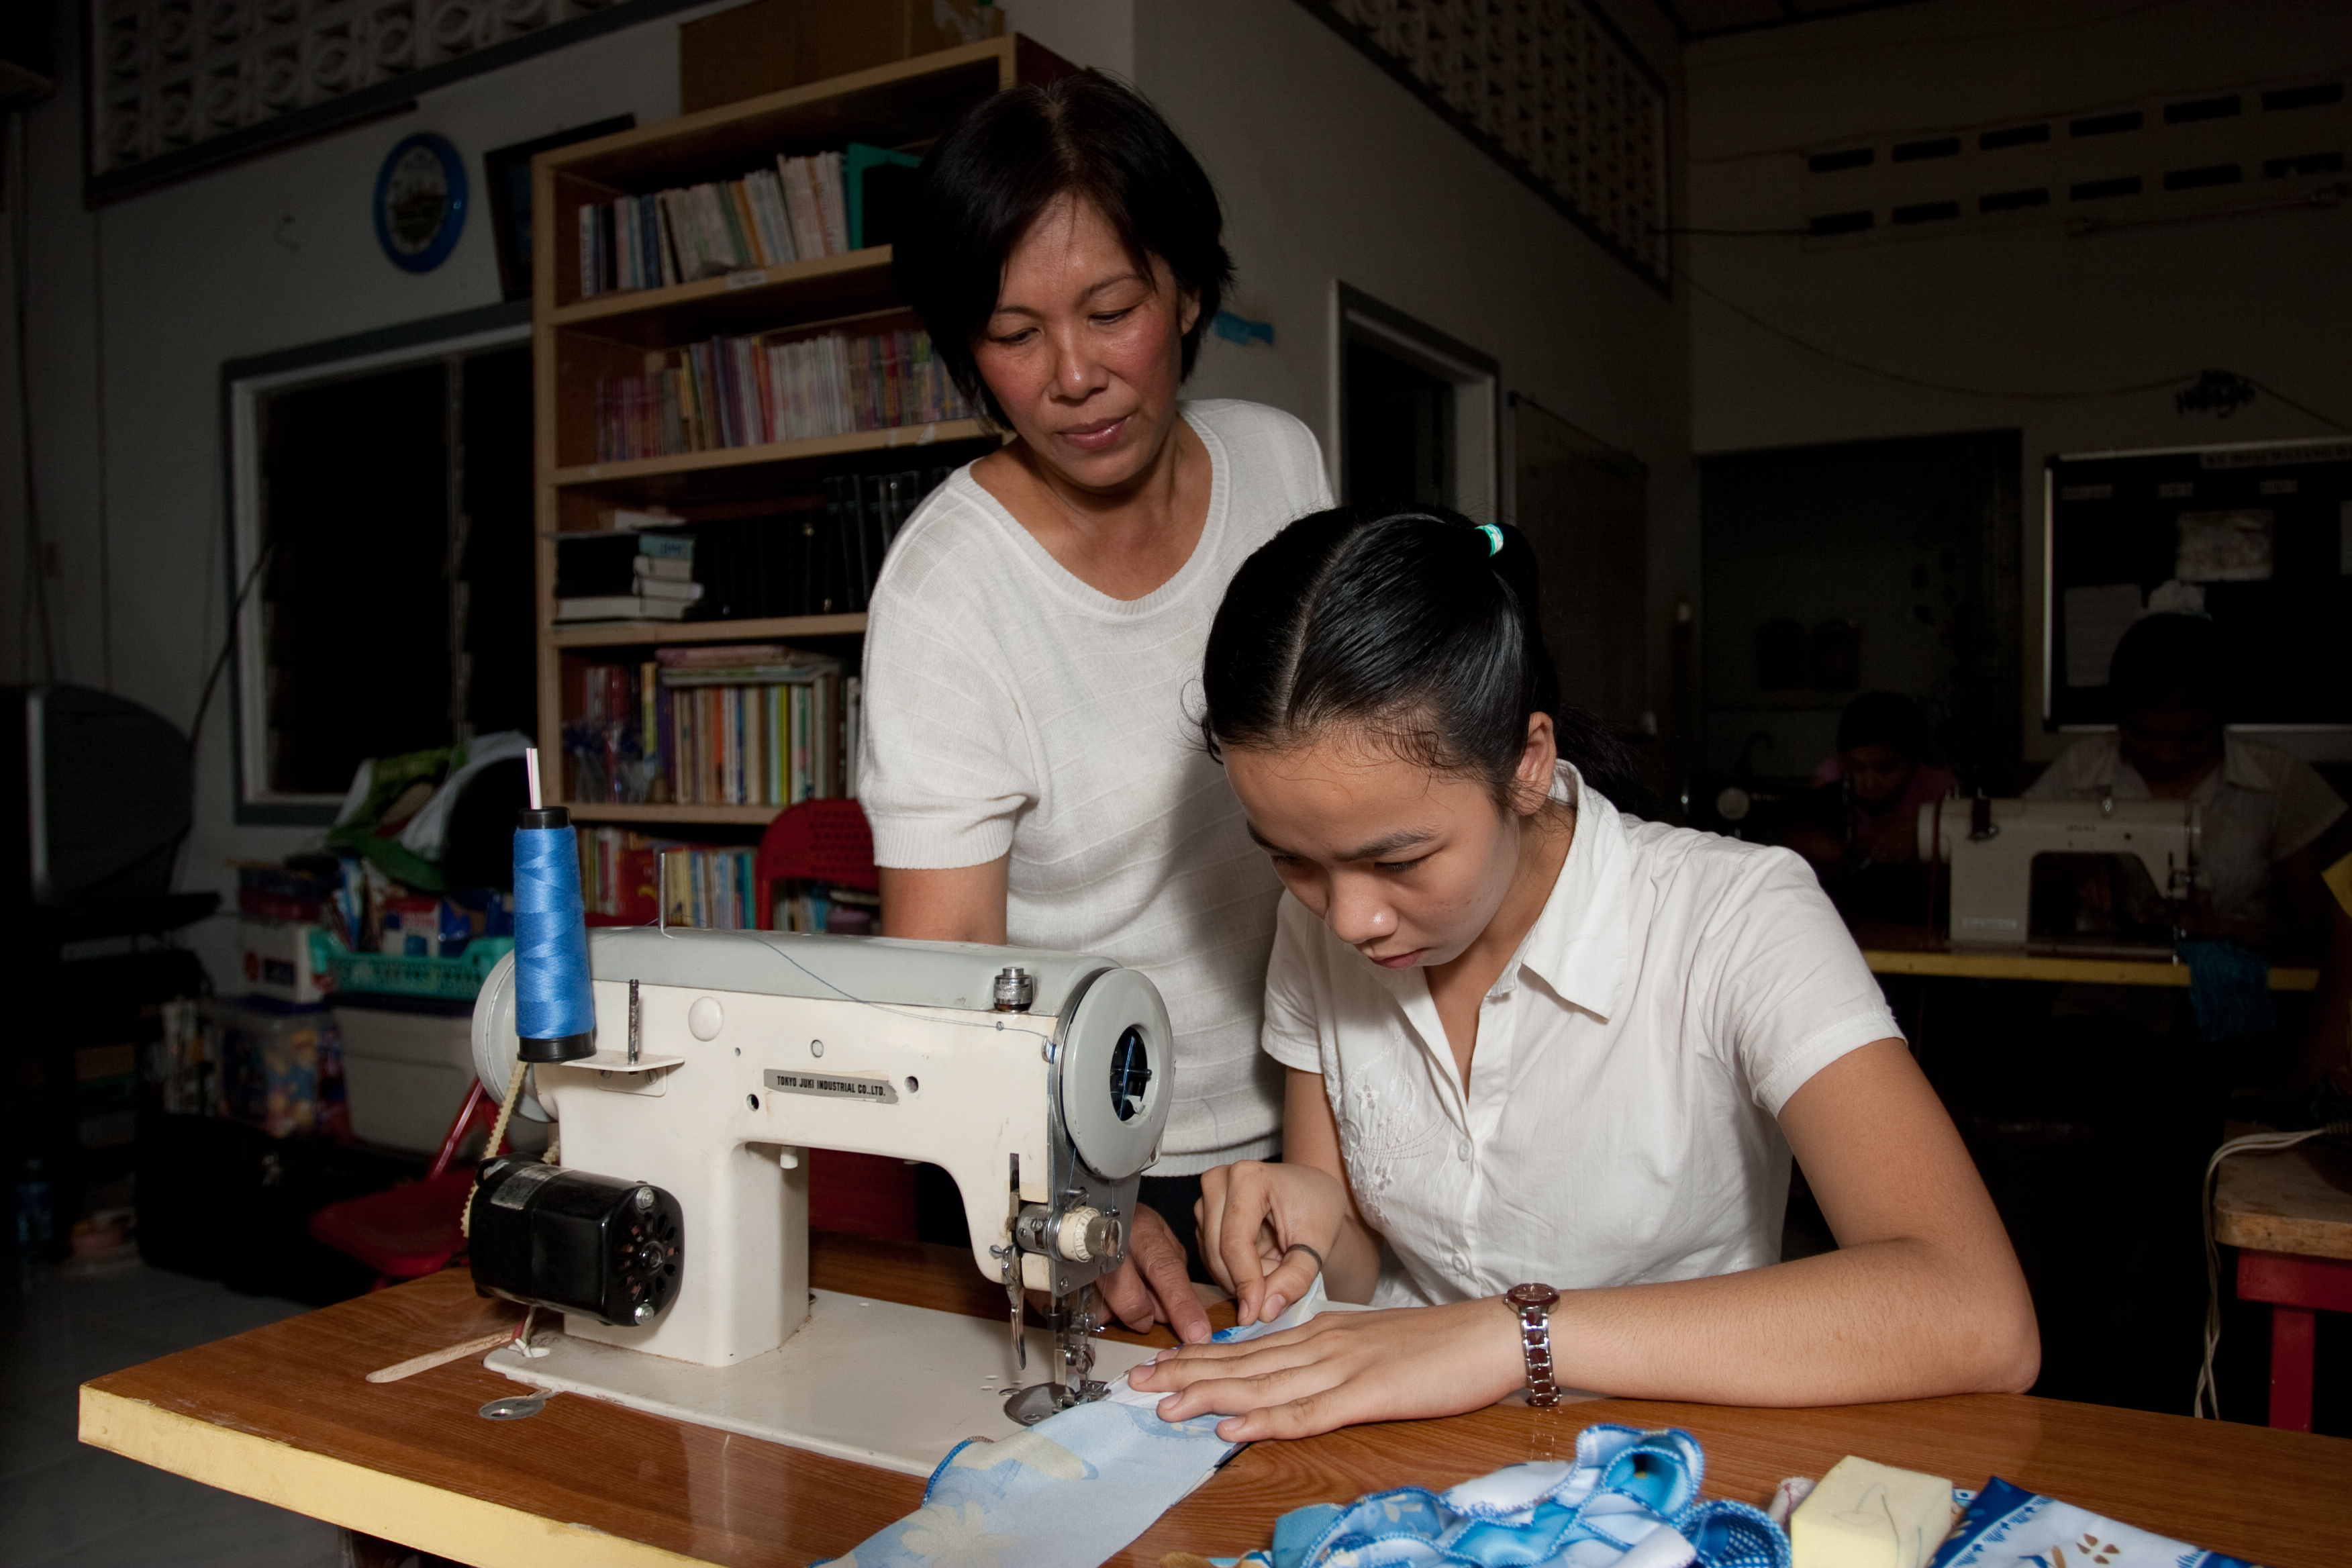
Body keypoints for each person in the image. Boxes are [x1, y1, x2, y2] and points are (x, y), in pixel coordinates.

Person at [1126, 506, 2039, 1439]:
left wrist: (1510, 1338)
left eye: (1399, 861)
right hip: (1414, 1457)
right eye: (1292, 859)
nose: (1350, 918)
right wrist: (1313, 1240)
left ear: (1527, 765)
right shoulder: (1313, 924)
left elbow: (1975, 1310)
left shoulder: (1735, 917)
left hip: (1667, 1467)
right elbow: (1362, 1265)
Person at [859, 72, 1332, 1343]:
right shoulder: (948, 590)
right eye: (1015, 334)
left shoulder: (1281, 466)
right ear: (969, 351)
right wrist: (1067, 1193)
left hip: (1318, 1114)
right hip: (1084, 1154)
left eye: (1110, 309)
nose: (1073, 375)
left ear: (1183, 290)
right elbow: (943, 970)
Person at [2026, 614, 2343, 950]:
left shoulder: (2277, 781)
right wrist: (2070, 857)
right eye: (2143, 735)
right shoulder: (2082, 771)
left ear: (2221, 717)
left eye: (2190, 738)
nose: (2165, 754)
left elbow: (2314, 926)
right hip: (2106, 984)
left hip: (2241, 980)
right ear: (2117, 716)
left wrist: (2232, 930)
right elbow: (2024, 859)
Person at [1783, 691, 1954, 873]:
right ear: (1842, 761)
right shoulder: (1832, 777)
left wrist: (1920, 825)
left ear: (1914, 764)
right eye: (1856, 769)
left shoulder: (1942, 788)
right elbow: (1801, 839)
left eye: (1886, 769)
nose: (1870, 784)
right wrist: (1869, 849)